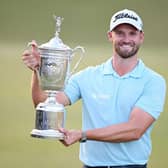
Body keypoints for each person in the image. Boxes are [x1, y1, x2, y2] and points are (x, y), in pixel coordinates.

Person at [22, 9, 166, 168]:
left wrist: (83, 135)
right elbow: (44, 103)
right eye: (120, 33)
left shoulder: (153, 81)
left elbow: (134, 130)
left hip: (133, 165)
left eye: (132, 33)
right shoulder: (87, 76)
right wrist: (38, 71)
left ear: (141, 37)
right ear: (110, 35)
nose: (126, 39)